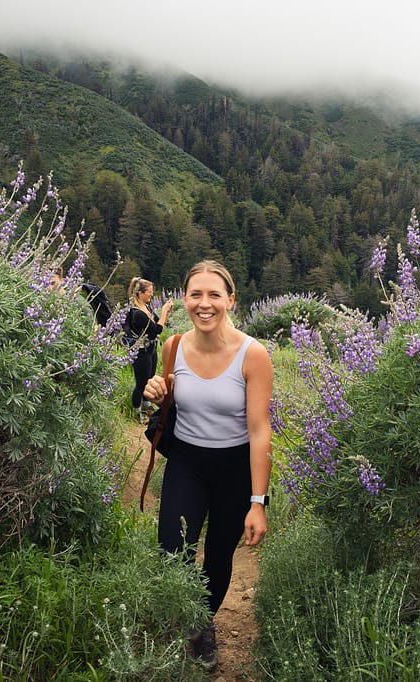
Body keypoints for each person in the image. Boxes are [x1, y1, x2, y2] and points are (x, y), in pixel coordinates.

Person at [142, 260, 273, 671]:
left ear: (231, 300)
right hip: (187, 461)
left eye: (214, 294)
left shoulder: (253, 355)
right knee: (171, 549)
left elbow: (259, 432)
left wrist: (258, 502)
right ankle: (184, 621)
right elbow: (166, 401)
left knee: (217, 557)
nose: (204, 303)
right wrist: (156, 390)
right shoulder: (174, 346)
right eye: (196, 294)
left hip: (234, 468)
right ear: (185, 299)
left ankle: (203, 626)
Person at [126, 276, 174, 419]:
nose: (152, 294)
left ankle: (147, 406)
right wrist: (164, 311)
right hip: (141, 352)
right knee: (141, 383)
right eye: (149, 292)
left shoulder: (146, 307)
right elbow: (156, 330)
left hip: (150, 349)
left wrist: (166, 313)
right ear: (140, 293)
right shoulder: (137, 313)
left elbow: (158, 321)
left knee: (150, 379)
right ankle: (136, 412)